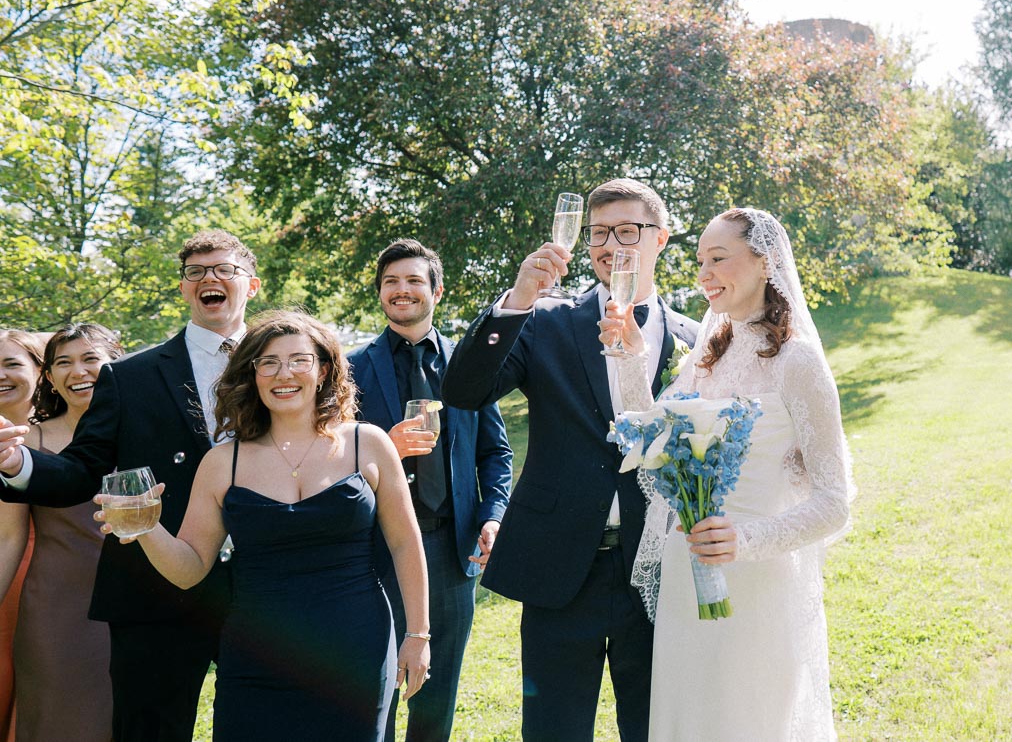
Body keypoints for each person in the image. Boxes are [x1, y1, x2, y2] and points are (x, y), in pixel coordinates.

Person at [442, 179, 700, 741]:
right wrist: (516, 300)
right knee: (554, 730)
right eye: (599, 233)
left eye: (627, 231)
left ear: (661, 238)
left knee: (658, 728)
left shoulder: (696, 340)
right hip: (558, 567)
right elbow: (462, 391)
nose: (611, 245)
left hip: (658, 570)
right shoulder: (544, 321)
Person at [101, 309, 430, 741]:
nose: (283, 374)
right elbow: (190, 567)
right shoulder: (223, 462)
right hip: (256, 655)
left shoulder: (367, 443)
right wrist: (146, 528)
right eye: (268, 363)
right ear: (252, 375)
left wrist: (418, 635)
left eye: (299, 360)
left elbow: (406, 542)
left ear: (323, 369)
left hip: (357, 648)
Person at [600, 207, 854, 741]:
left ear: (765, 263)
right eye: (699, 262)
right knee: (688, 718)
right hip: (685, 573)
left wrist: (745, 540)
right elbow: (650, 432)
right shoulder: (708, 356)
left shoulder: (797, 362)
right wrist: (630, 355)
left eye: (718, 258)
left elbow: (835, 502)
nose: (704, 273)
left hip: (756, 580)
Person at [0, 230, 261, 742]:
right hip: (153, 587)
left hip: (266, 585)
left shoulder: (285, 365)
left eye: (224, 270)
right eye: (195, 272)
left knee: (262, 728)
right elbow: (80, 467)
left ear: (250, 285)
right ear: (183, 289)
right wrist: (16, 464)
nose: (209, 279)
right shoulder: (130, 376)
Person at [347, 238, 512, 742]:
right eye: (391, 282)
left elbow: (496, 453)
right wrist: (383, 449)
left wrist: (492, 515)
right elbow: (327, 458)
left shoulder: (469, 365)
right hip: (370, 550)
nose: (402, 290)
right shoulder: (349, 366)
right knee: (373, 687)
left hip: (449, 547)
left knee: (437, 690)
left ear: (437, 291)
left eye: (414, 280)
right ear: (379, 293)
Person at [0, 324, 124, 741]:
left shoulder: (141, 433)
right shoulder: (28, 442)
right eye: (63, 363)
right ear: (48, 377)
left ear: (116, 364)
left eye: (91, 359)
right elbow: (9, 537)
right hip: (55, 613)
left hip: (135, 606)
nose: (78, 371)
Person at [0, 330, 42, 742]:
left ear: (39, 371)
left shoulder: (61, 434)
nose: (0, 374)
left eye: (12, 363)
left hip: (34, 575)